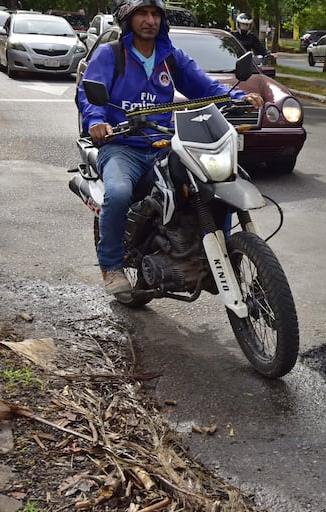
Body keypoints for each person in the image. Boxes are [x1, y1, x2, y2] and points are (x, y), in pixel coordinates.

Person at [77, 0, 263, 296]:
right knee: (119, 192)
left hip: (164, 142)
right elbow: (88, 93)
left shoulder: (170, 57)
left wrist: (237, 97)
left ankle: (214, 252)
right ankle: (111, 267)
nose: (150, 20)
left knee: (212, 182)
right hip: (123, 145)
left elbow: (205, 87)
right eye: (142, 14)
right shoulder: (110, 54)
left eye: (155, 15)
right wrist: (97, 120)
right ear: (128, 20)